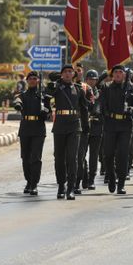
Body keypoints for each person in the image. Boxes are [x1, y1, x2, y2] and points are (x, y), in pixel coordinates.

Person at [46, 64, 90, 200]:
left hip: (74, 126)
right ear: (62, 74)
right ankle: (61, 186)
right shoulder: (56, 88)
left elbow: (84, 108)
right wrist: (51, 87)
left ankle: (71, 188)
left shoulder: (78, 89)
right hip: (59, 125)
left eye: (70, 72)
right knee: (59, 158)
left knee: (72, 157)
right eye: (65, 72)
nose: (67, 74)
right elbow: (46, 99)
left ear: (73, 75)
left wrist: (86, 126)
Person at [100, 65, 133, 195]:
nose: (117, 74)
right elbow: (102, 104)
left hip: (125, 125)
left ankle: (121, 183)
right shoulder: (106, 87)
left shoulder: (131, 88)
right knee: (108, 154)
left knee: (123, 155)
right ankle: (111, 176)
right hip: (110, 124)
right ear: (112, 74)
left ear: (124, 74)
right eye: (115, 72)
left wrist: (131, 109)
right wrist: (105, 114)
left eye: (120, 72)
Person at [12, 71, 51, 195]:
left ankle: (34, 184)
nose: (33, 80)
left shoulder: (43, 97)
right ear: (27, 81)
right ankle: (28, 181)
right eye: (31, 79)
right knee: (25, 157)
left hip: (38, 129)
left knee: (35, 158)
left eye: (35, 78)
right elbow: (17, 101)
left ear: (38, 81)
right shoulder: (22, 95)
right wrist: (17, 104)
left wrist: (45, 111)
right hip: (25, 128)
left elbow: (48, 112)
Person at [84, 70, 104, 190]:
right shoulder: (81, 92)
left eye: (94, 79)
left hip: (97, 127)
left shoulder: (100, 94)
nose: (91, 81)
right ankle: (84, 176)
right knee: (81, 155)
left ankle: (91, 179)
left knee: (94, 155)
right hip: (85, 127)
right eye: (89, 79)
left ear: (97, 81)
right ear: (86, 80)